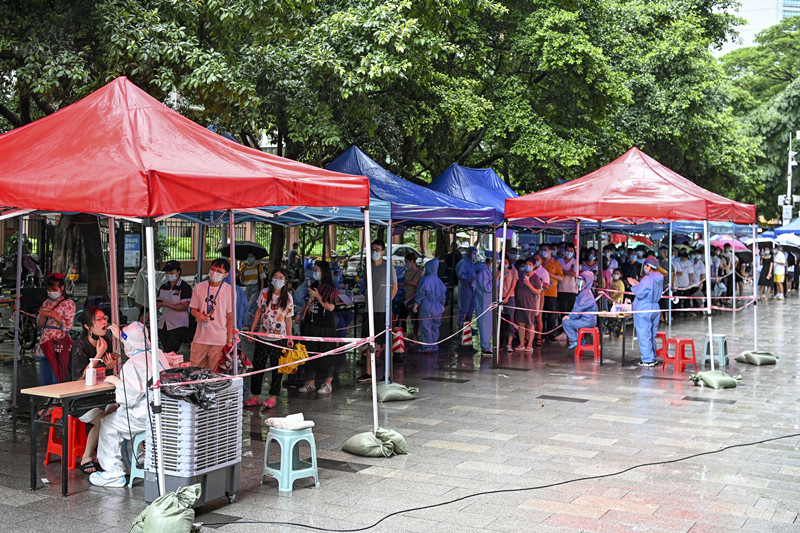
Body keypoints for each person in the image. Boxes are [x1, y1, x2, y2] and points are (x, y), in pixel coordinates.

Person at [89, 322, 172, 488]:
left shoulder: (132, 365)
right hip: (165, 409)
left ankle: (113, 473)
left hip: (144, 413)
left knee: (108, 424)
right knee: (118, 418)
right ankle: (136, 461)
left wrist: (118, 383)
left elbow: (127, 399)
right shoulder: (158, 353)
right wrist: (122, 337)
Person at [69, 307, 120, 474]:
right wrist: (98, 355)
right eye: (98, 319)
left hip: (100, 395)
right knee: (102, 420)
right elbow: (80, 378)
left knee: (116, 412)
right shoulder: (80, 346)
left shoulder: (106, 341)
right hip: (79, 398)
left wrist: (110, 365)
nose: (104, 322)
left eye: (104, 318)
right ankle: (86, 457)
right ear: (87, 326)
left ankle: (107, 454)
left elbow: (104, 372)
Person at [246, 268, 294, 408]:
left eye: (280, 278)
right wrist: (252, 330)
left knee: (277, 369)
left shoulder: (288, 297)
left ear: (285, 281)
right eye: (275, 277)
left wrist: (289, 337)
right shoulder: (264, 293)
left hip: (279, 339)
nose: (277, 280)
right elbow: (258, 312)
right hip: (262, 337)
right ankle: (256, 396)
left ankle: (273, 397)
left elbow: (288, 319)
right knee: (258, 367)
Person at [357, 240, 397, 382]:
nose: (375, 252)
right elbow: (367, 285)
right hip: (369, 309)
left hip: (383, 310)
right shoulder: (368, 268)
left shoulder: (388, 267)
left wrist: (387, 303)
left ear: (383, 252)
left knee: (386, 343)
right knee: (370, 341)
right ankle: (369, 372)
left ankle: (388, 374)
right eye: (373, 249)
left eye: (378, 249)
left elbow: (395, 287)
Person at [300, 260, 338, 394]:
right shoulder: (313, 285)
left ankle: (328, 383)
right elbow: (307, 302)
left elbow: (331, 307)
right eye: (314, 270)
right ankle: (310, 382)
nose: (314, 273)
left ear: (324, 272)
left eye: (317, 270)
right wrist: (300, 313)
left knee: (327, 355)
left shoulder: (331, 289)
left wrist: (319, 296)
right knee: (310, 353)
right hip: (311, 325)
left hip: (325, 326)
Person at [189, 259, 233, 370]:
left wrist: (229, 340)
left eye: (219, 271)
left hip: (219, 340)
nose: (215, 273)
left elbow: (230, 317)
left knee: (215, 373)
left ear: (225, 274)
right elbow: (193, 309)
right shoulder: (199, 287)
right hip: (200, 338)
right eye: (213, 269)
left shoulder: (229, 290)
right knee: (195, 371)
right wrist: (197, 315)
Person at [36, 273, 77, 385]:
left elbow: (68, 326)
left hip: (59, 342)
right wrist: (43, 315)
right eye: (49, 289)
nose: (51, 292)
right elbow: (40, 325)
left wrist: (54, 316)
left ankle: (57, 395)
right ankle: (46, 394)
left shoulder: (68, 304)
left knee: (57, 376)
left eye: (53, 289)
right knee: (45, 377)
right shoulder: (46, 302)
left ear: (62, 288)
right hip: (45, 341)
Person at [628, 256, 664, 367]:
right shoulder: (659, 278)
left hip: (644, 308)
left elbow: (640, 293)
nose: (644, 267)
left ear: (649, 266)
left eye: (645, 265)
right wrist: (639, 285)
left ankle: (647, 360)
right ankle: (652, 357)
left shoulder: (647, 279)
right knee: (651, 334)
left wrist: (634, 285)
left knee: (644, 335)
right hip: (655, 307)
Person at [156, 260, 192, 354]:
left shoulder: (184, 287)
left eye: (171, 273)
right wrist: (147, 316)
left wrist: (166, 304)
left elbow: (184, 306)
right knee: (166, 351)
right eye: (167, 273)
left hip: (179, 324)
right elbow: (157, 303)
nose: (169, 275)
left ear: (178, 272)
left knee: (171, 350)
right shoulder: (163, 286)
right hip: (163, 324)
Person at [415, 258, 447, 352]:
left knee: (426, 327)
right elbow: (443, 295)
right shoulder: (439, 281)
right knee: (435, 326)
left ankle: (427, 347)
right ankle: (434, 345)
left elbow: (421, 293)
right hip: (438, 307)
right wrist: (442, 304)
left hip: (427, 305)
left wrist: (416, 303)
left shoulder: (425, 280)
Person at [562, 271, 598, 350]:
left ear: (587, 281)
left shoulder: (585, 293)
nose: (579, 281)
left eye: (581, 280)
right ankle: (578, 340)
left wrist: (570, 317)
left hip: (586, 321)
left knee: (566, 322)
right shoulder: (587, 292)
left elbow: (578, 309)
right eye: (578, 279)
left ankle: (577, 340)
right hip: (589, 320)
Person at [515, 256, 542, 351]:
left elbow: (538, 292)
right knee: (521, 324)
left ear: (534, 266)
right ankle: (521, 343)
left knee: (530, 324)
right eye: (526, 264)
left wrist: (529, 284)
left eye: (530, 264)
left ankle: (530, 344)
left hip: (530, 304)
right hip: (520, 304)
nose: (528, 266)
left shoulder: (536, 278)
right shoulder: (520, 275)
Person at [541, 245, 563, 342]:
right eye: (542, 250)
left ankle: (550, 334)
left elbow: (561, 277)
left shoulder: (556, 263)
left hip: (552, 293)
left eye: (546, 250)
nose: (544, 252)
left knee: (551, 315)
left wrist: (549, 274)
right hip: (540, 292)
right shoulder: (540, 262)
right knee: (541, 315)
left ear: (550, 251)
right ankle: (541, 334)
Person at [473, 255, 494, 355]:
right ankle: (485, 347)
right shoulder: (484, 272)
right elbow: (487, 288)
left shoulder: (487, 271)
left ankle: (486, 345)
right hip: (484, 303)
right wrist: (497, 280)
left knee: (487, 326)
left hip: (487, 302)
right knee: (485, 325)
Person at [400, 252, 423, 341]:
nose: (406, 263)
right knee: (403, 316)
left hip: (414, 298)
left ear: (412, 261)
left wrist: (413, 284)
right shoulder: (406, 272)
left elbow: (421, 287)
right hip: (406, 297)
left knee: (414, 318)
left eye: (407, 262)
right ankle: (405, 334)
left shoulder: (420, 273)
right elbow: (405, 284)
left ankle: (415, 336)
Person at [239, 253, 266, 324]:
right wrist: (242, 273)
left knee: (251, 305)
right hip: (247, 288)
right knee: (245, 306)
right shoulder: (244, 268)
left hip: (255, 287)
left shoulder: (258, 267)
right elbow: (242, 281)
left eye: (251, 256)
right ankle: (250, 321)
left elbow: (262, 279)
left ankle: (247, 323)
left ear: (254, 258)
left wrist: (261, 290)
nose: (250, 258)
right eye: (248, 256)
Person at [500, 254, 519, 352]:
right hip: (499, 297)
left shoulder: (514, 271)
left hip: (510, 298)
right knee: (498, 321)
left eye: (506, 262)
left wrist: (507, 297)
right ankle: (499, 342)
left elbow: (513, 286)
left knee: (510, 320)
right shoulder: (498, 271)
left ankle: (509, 343)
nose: (504, 264)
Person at [557, 244, 578, 333]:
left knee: (570, 310)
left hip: (571, 290)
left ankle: (570, 329)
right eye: (567, 251)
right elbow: (557, 273)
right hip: (560, 289)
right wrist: (568, 271)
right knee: (562, 310)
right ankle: (561, 329)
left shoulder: (575, 262)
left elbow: (574, 274)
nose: (569, 253)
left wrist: (563, 271)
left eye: (571, 251)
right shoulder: (559, 261)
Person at [455, 246, 477, 325]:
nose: (475, 255)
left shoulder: (471, 262)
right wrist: (471, 278)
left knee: (470, 309)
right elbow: (461, 275)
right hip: (465, 288)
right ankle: (461, 327)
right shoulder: (463, 263)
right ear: (468, 254)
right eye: (473, 254)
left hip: (471, 288)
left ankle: (468, 327)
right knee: (464, 309)